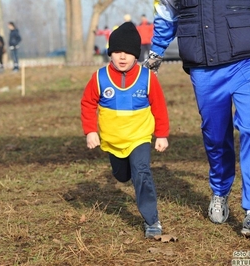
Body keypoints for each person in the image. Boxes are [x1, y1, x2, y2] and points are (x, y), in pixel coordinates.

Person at [144, 0, 250, 239]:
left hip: (248, 60)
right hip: (204, 66)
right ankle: (220, 189)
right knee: (215, 136)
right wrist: (156, 53)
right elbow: (166, 11)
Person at [81, 22, 169, 239]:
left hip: (139, 137)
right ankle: (124, 169)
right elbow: (88, 104)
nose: (122, 57)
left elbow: (159, 106)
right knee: (122, 176)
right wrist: (91, 131)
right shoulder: (99, 77)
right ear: (110, 53)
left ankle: (152, 220)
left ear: (136, 55)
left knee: (142, 173)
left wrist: (162, 134)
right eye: (117, 52)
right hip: (112, 141)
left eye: (128, 53)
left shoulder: (147, 78)